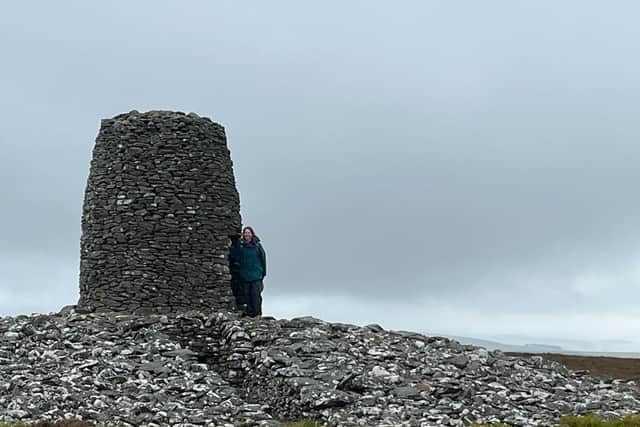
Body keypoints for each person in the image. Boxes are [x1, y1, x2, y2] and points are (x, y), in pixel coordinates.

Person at [238, 226, 266, 317]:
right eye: (245, 232)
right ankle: (250, 315)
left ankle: (257, 314)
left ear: (252, 234)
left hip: (256, 275)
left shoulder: (258, 246)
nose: (247, 234)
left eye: (248, 232)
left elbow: (263, 258)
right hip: (245, 275)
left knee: (256, 296)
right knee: (247, 296)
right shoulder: (241, 246)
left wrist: (263, 272)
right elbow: (236, 257)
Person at [227, 234, 244, 311]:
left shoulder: (238, 246)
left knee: (238, 292)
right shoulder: (240, 245)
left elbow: (236, 256)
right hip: (235, 272)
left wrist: (230, 248)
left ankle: (240, 309)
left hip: (237, 272)